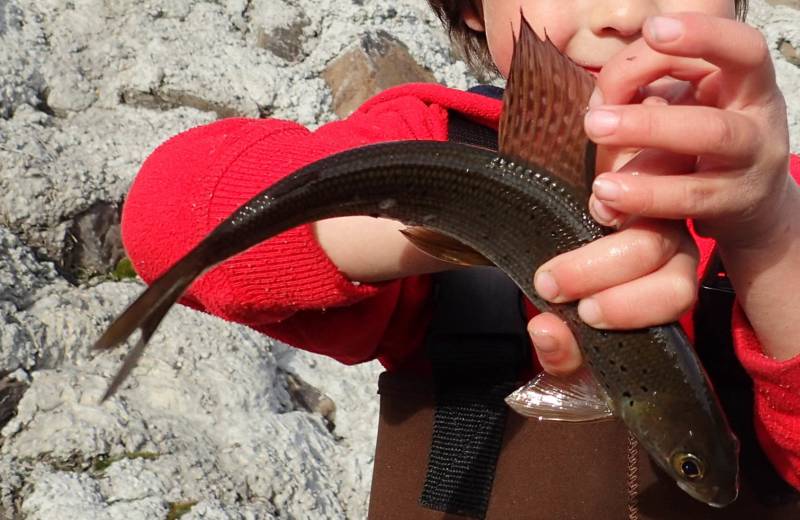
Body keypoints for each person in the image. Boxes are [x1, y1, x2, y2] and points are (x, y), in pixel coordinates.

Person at [121, 0, 800, 518]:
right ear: (475, 8)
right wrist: (462, 210)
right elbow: (165, 216)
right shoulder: (440, 139)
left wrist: (769, 235)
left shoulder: (781, 204)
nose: (623, 14)